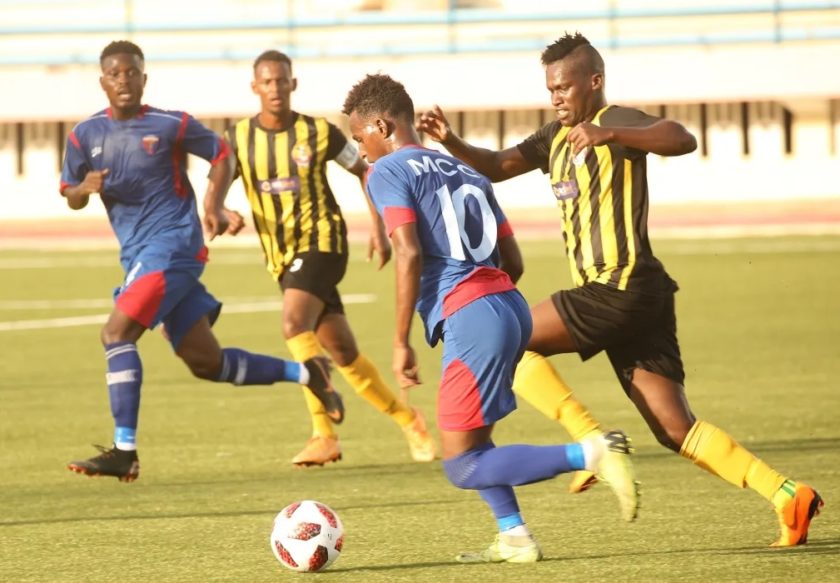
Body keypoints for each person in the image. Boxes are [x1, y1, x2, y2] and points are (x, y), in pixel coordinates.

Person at [416, 31, 823, 547]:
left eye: (564, 87)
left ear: (595, 82)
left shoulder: (615, 121)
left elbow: (681, 138)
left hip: (619, 287)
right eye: (550, 90)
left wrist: (614, 137)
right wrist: (450, 140)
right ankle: (787, 493)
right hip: (641, 295)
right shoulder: (552, 139)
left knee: (509, 334)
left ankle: (590, 440)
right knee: (675, 429)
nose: (557, 97)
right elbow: (496, 167)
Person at [342, 73, 640, 563]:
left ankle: (592, 453)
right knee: (476, 438)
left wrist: (400, 341)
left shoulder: (388, 172)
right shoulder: (467, 173)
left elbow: (409, 252)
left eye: (361, 138)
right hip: (507, 306)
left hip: (473, 313)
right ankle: (514, 535)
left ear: (381, 124)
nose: (363, 151)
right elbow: (514, 262)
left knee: (461, 465)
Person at [60, 40, 344, 482]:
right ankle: (308, 373)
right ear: (103, 80)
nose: (124, 80)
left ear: (143, 77)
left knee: (116, 334)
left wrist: (213, 206)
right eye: (115, 74)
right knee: (207, 363)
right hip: (139, 254)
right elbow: (71, 194)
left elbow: (222, 153)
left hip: (175, 245)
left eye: (132, 72)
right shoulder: (84, 136)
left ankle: (125, 450)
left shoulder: (171, 124)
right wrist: (84, 189)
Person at [224, 50, 436, 467]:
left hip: (323, 243)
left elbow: (363, 169)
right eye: (267, 82)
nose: (275, 88)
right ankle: (409, 420)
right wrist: (218, 212)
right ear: (255, 87)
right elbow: (219, 182)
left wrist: (377, 226)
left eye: (282, 80)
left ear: (292, 84)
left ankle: (324, 434)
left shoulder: (318, 133)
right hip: (282, 258)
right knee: (343, 354)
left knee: (292, 323)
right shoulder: (238, 139)